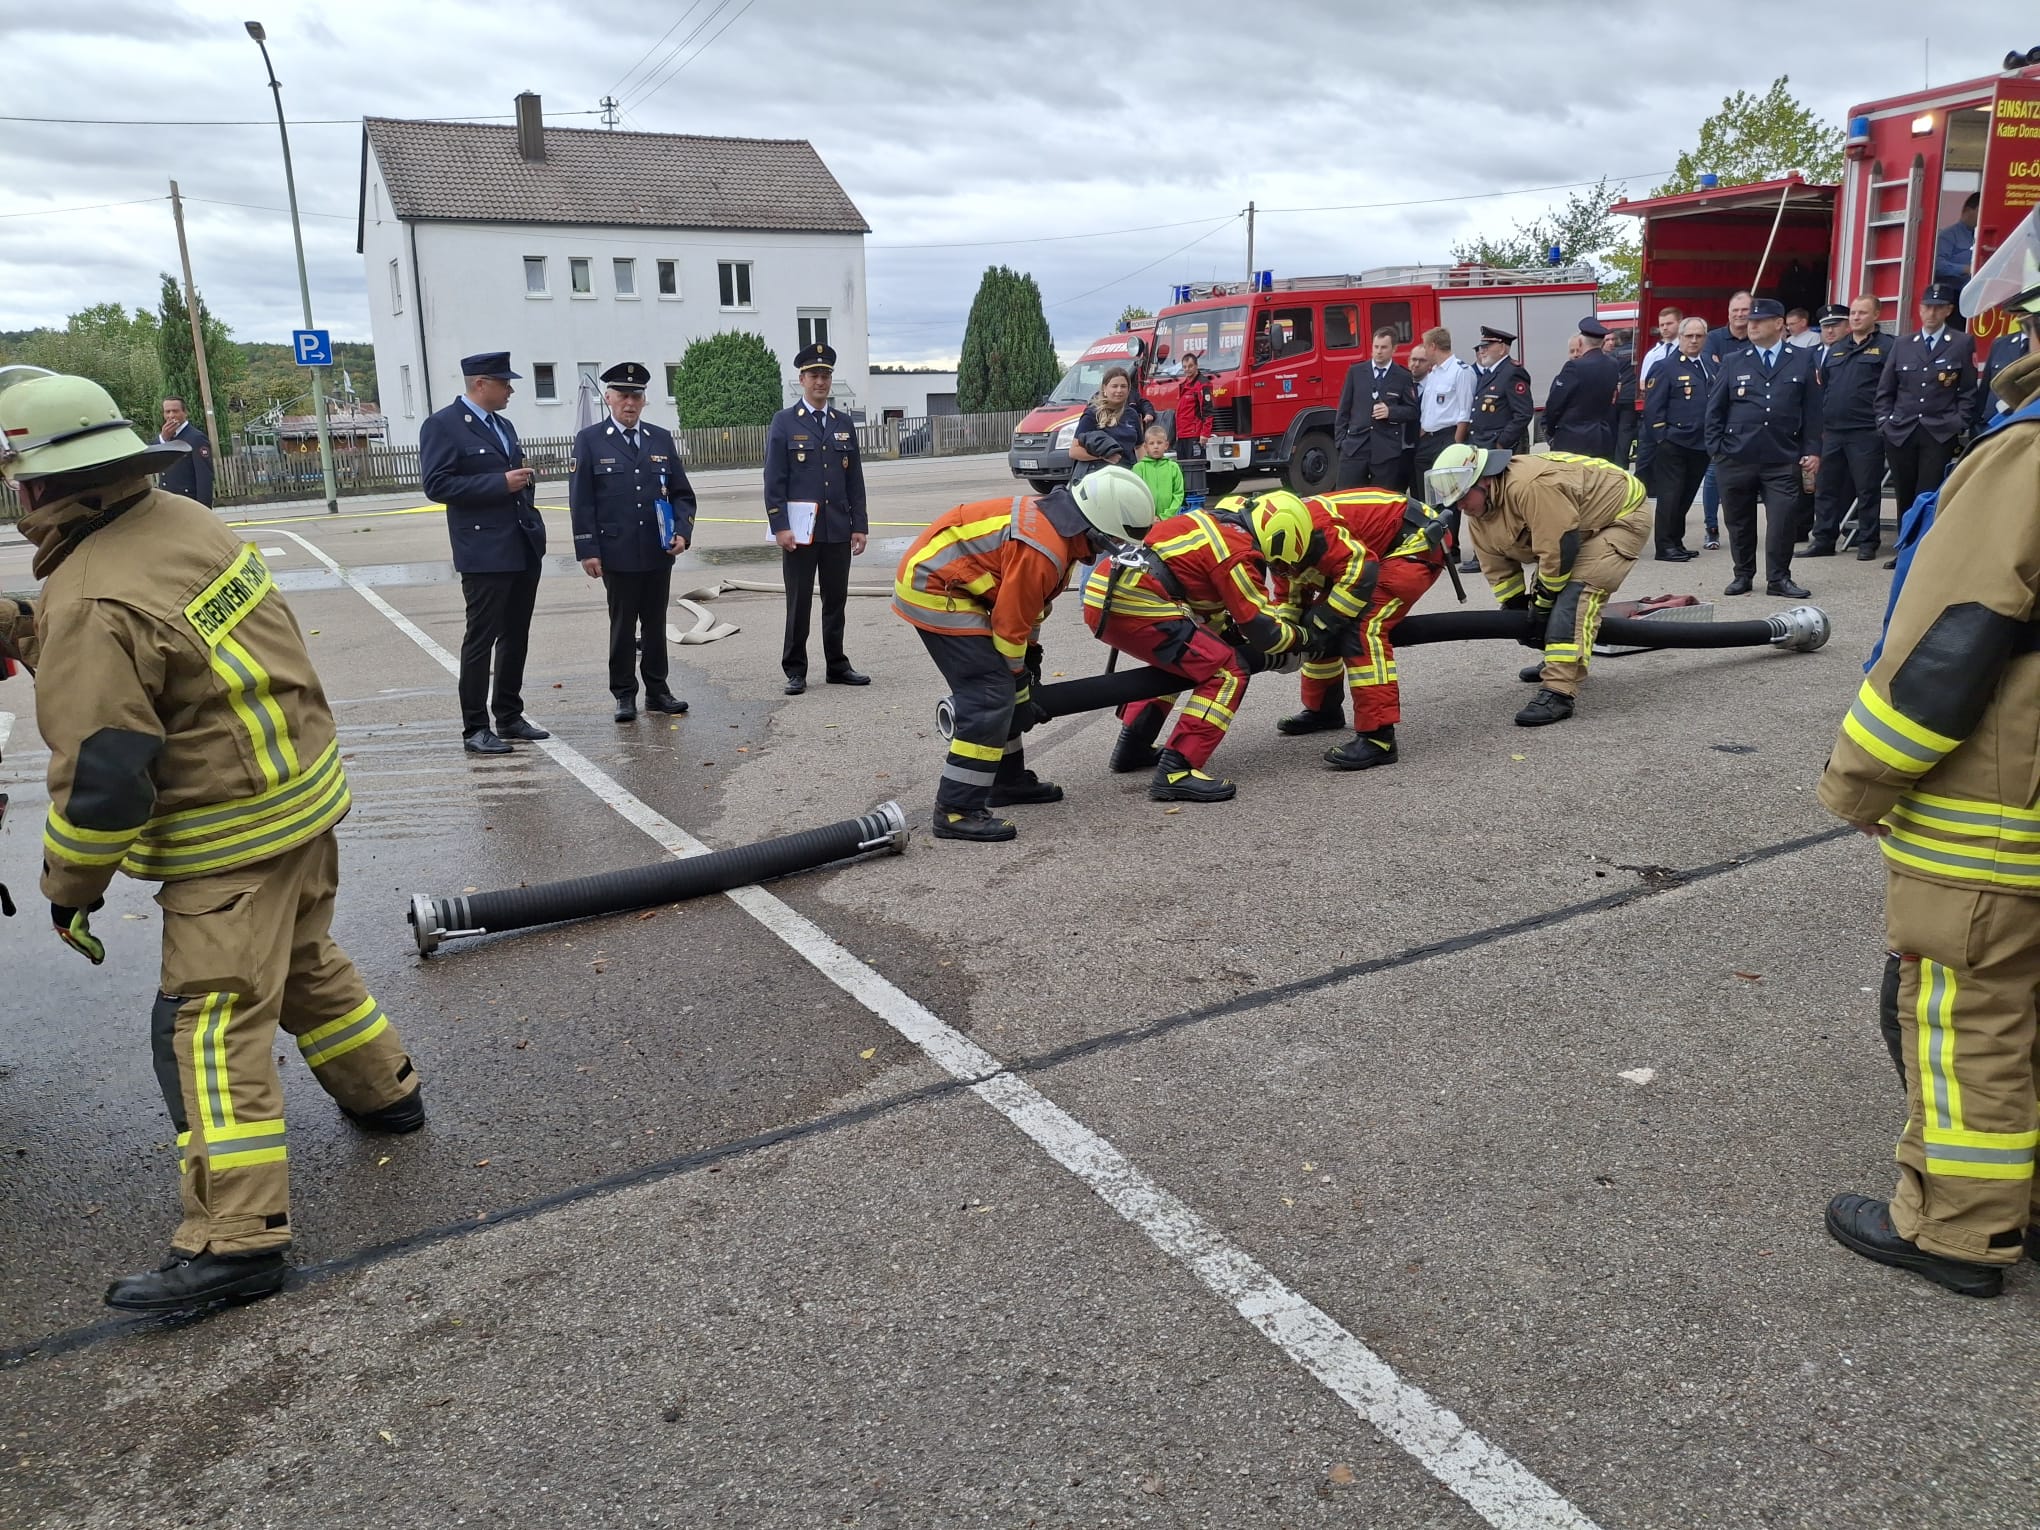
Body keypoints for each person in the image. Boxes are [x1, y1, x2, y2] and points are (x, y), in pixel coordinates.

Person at [0, 365, 423, 1315]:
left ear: (37, 485)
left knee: (211, 1026)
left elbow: (106, 776)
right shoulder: (180, 522)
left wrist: (71, 888)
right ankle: (387, 1090)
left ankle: (236, 1243)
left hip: (225, 838)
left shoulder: (92, 600)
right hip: (300, 803)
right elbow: (167, 656)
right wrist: (34, 629)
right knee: (305, 959)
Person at [1816, 241, 2040, 1299]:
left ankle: (1957, 1230)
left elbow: (1947, 645)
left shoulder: (2026, 457)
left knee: (1970, 1011)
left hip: (2005, 802)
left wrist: (1860, 780)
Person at [893, 466, 1155, 842]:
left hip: (961, 584)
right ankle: (956, 809)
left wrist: (1028, 659)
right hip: (935, 587)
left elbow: (1029, 608)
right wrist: (1016, 677)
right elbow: (1009, 622)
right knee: (988, 694)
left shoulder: (1061, 533)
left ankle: (1006, 780)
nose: (1106, 549)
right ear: (1096, 528)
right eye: (1110, 540)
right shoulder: (1045, 548)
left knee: (1006, 687)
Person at [1082, 492, 1310, 801]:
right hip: (1135, 600)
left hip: (1108, 591)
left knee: (1191, 659)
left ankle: (1132, 747)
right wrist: (1304, 641)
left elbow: (1209, 612)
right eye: (1280, 560)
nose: (1277, 566)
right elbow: (1263, 628)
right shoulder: (1237, 550)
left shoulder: (1212, 524)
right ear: (1279, 535)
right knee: (1227, 672)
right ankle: (1177, 770)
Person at [1425, 442, 1647, 727]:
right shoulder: (1480, 509)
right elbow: (1496, 562)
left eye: (1462, 497)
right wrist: (1517, 607)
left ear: (1485, 479)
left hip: (1620, 516)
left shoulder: (1530, 486)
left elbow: (1557, 549)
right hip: (1573, 525)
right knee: (1546, 597)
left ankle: (1558, 691)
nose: (1459, 506)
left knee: (1575, 596)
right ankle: (1557, 658)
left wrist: (1542, 602)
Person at [420, 351, 550, 756]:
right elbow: (437, 486)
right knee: (481, 640)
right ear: (480, 383)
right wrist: (499, 484)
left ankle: (509, 714)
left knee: (516, 636)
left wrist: (521, 487)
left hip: (521, 545)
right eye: (504, 382)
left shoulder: (504, 425)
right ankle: (475, 728)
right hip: (484, 551)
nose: (510, 389)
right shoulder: (442, 426)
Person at [1272, 487, 1453, 769]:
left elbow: (1360, 571)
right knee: (1315, 621)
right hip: (1369, 553)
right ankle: (1324, 710)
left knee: (1362, 627)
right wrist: (1288, 634)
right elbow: (1290, 593)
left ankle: (1379, 737)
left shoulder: (1317, 530)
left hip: (1412, 544)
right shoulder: (1276, 533)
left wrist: (1325, 621)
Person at [569, 361, 697, 723]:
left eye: (636, 396)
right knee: (622, 626)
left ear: (644, 400)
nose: (629, 402)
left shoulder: (660, 438)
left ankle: (658, 691)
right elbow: (582, 501)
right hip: (617, 552)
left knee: (655, 625)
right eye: (623, 395)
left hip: (657, 551)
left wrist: (683, 533)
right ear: (608, 398)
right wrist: (588, 549)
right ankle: (624, 694)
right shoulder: (591, 440)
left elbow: (682, 494)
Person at [765, 342, 868, 695]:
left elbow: (854, 478)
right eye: (814, 375)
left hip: (838, 527)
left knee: (835, 601)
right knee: (799, 601)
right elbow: (774, 480)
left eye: (825, 375)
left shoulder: (842, 423)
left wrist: (860, 525)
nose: (820, 382)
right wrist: (780, 526)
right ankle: (795, 669)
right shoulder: (784, 422)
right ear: (802, 379)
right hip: (800, 532)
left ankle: (837, 665)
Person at [1705, 297, 1821, 599]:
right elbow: (1715, 409)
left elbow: (1813, 410)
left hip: (1782, 455)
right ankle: (1743, 575)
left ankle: (1779, 578)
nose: (1751, 325)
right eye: (1749, 321)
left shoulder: (1803, 359)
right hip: (1737, 454)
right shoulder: (1734, 360)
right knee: (1739, 521)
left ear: (1779, 323)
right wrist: (1716, 449)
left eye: (1759, 321)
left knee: (1782, 520)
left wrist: (1812, 449)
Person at [1877, 284, 1975, 557]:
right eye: (1926, 307)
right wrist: (1884, 422)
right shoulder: (1903, 343)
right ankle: (1904, 549)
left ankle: (1923, 552)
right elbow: (1886, 389)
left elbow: (1967, 391)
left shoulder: (1960, 342)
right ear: (1919, 309)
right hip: (1901, 430)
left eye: (1937, 307)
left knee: (1928, 493)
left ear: (1948, 310)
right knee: (1904, 495)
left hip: (1939, 430)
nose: (1931, 313)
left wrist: (1959, 421)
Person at [1806, 297, 1890, 560]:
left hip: (1866, 430)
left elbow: (1892, 387)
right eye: (1853, 313)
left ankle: (1867, 541)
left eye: (1862, 313)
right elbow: (1827, 386)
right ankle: (1823, 539)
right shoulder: (1837, 348)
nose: (1856, 318)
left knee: (1866, 489)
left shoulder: (1888, 347)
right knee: (1826, 487)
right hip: (1833, 430)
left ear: (1876, 315)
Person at [1638, 316, 1712, 561]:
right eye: (1688, 336)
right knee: (1671, 495)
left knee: (1687, 495)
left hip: (1701, 443)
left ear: (1705, 338)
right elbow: (1653, 407)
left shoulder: (1709, 365)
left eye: (1698, 336)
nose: (1693, 341)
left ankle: (1676, 541)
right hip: (1674, 442)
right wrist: (1662, 437)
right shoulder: (1665, 366)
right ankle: (1664, 545)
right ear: (1680, 337)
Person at [1697, 290, 1755, 549]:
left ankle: (1743, 530)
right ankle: (1711, 528)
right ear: (1728, 313)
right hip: (1722, 414)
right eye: (1736, 310)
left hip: (1751, 417)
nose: (1740, 315)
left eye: (1745, 310)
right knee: (1713, 473)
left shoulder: (1758, 338)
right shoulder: (1713, 339)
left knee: (1751, 475)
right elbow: (1714, 373)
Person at [1333, 328, 1419, 490]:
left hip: (1386, 451)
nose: (1379, 352)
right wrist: (1341, 443)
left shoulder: (1403, 376)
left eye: (1384, 347)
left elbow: (1412, 411)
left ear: (1394, 349)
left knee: (1381, 503)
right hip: (1354, 448)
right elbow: (1343, 410)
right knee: (1347, 500)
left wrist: (1391, 412)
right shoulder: (1356, 372)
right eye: (1376, 347)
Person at [1541, 317, 1622, 460]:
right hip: (1602, 438)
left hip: (1573, 441)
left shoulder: (1574, 367)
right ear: (1602, 342)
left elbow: (1555, 404)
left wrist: (1550, 430)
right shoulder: (1613, 364)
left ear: (1580, 342)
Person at [1410, 326, 1474, 487]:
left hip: (1447, 437)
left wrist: (1456, 445)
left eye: (1425, 346)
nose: (1424, 351)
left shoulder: (1461, 371)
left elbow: (1465, 412)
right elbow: (1427, 410)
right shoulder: (1434, 374)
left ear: (1433, 346)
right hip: (1427, 439)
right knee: (1425, 492)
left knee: (1446, 491)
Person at [1069, 365, 1144, 484]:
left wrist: (1143, 471)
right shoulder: (1092, 414)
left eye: (1123, 386)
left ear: (1129, 389)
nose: (1119, 390)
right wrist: (1103, 457)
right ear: (1105, 388)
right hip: (1098, 479)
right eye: (1114, 386)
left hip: (1126, 477)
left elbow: (1139, 446)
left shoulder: (1132, 414)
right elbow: (1074, 451)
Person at [1971, 320, 2032, 435]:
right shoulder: (2000, 344)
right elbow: (1984, 391)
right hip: (1991, 428)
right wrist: (1976, 426)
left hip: (2026, 431)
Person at [157, 396, 213, 507]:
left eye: (175, 411)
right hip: (168, 502)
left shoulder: (196, 438)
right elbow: (152, 456)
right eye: (167, 412)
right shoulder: (164, 437)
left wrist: (203, 509)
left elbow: (204, 477)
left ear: (185, 412)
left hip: (188, 502)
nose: (171, 415)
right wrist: (163, 439)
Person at [1131, 424, 1185, 515]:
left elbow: (1178, 494)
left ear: (1166, 445)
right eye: (1151, 443)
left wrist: (1166, 516)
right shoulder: (1138, 468)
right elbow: (1134, 496)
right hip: (1146, 520)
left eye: (1159, 443)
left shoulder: (1173, 467)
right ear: (1146, 447)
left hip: (1169, 520)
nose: (1156, 446)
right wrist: (1147, 516)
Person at [1932, 191, 1979, 291]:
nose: (1984, 216)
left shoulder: (1981, 236)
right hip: (1953, 293)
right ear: (1967, 211)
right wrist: (1965, 269)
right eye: (1981, 211)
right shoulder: (1948, 236)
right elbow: (1937, 265)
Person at [1173, 351, 1214, 463]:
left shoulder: (1202, 384)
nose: (1187, 369)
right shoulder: (1184, 385)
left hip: (1194, 435)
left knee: (1195, 469)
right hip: (1182, 435)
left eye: (1190, 366)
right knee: (1183, 469)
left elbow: (1208, 411)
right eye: (1185, 367)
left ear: (1196, 366)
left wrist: (1205, 434)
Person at [1609, 329, 1639, 470]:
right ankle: (1623, 461)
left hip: (1618, 396)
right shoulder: (1638, 352)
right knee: (1627, 429)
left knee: (1617, 429)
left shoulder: (1614, 354)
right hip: (1632, 396)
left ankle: (1616, 461)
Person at [1636, 306, 1683, 390]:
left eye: (1669, 324)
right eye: (1661, 325)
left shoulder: (1688, 350)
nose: (1664, 328)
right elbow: (1643, 384)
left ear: (1680, 323)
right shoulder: (1653, 354)